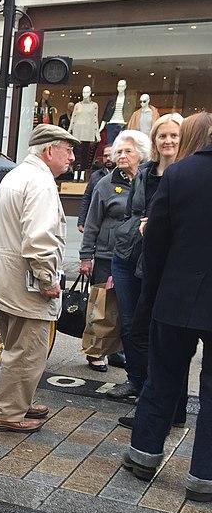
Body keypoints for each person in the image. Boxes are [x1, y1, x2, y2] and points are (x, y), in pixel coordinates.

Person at [122, 121, 212, 501]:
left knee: (163, 377)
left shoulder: (181, 173)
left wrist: (152, 295)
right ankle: (203, 477)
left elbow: (155, 242)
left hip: (176, 296)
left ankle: (143, 454)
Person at [0, 125, 76, 433]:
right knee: (27, 350)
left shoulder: (16, 175)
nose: (72, 158)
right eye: (68, 150)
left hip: (7, 278)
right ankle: (6, 413)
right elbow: (39, 240)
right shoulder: (40, 183)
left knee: (15, 347)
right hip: (26, 284)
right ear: (50, 150)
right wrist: (48, 279)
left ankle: (15, 403)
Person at [109, 115, 181, 404]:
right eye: (162, 136)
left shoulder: (186, 173)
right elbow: (131, 211)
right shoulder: (145, 172)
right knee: (130, 324)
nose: (168, 141)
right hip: (128, 256)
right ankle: (135, 380)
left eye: (174, 135)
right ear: (154, 140)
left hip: (161, 262)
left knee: (155, 326)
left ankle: (154, 389)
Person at [79, 130, 149, 381]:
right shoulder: (105, 184)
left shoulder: (147, 180)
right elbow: (92, 222)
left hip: (137, 257)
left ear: (141, 154)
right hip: (108, 256)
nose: (121, 156)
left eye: (127, 151)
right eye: (118, 151)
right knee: (104, 307)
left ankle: (120, 352)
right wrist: (86, 257)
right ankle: (97, 351)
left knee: (129, 314)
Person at [78, 146, 114, 233]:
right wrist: (81, 221)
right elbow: (87, 198)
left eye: (111, 155)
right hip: (96, 219)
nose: (108, 159)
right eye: (105, 156)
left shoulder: (123, 175)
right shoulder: (95, 176)